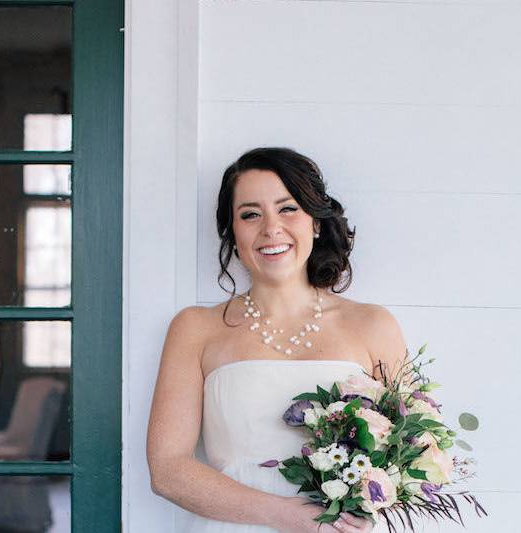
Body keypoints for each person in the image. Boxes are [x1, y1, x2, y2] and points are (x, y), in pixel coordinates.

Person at [147, 147, 409, 532]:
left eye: (287, 209)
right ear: (232, 233)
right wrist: (290, 516)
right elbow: (168, 469)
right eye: (250, 214)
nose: (271, 228)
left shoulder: (373, 325)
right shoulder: (195, 328)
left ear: (315, 223)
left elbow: (410, 452)